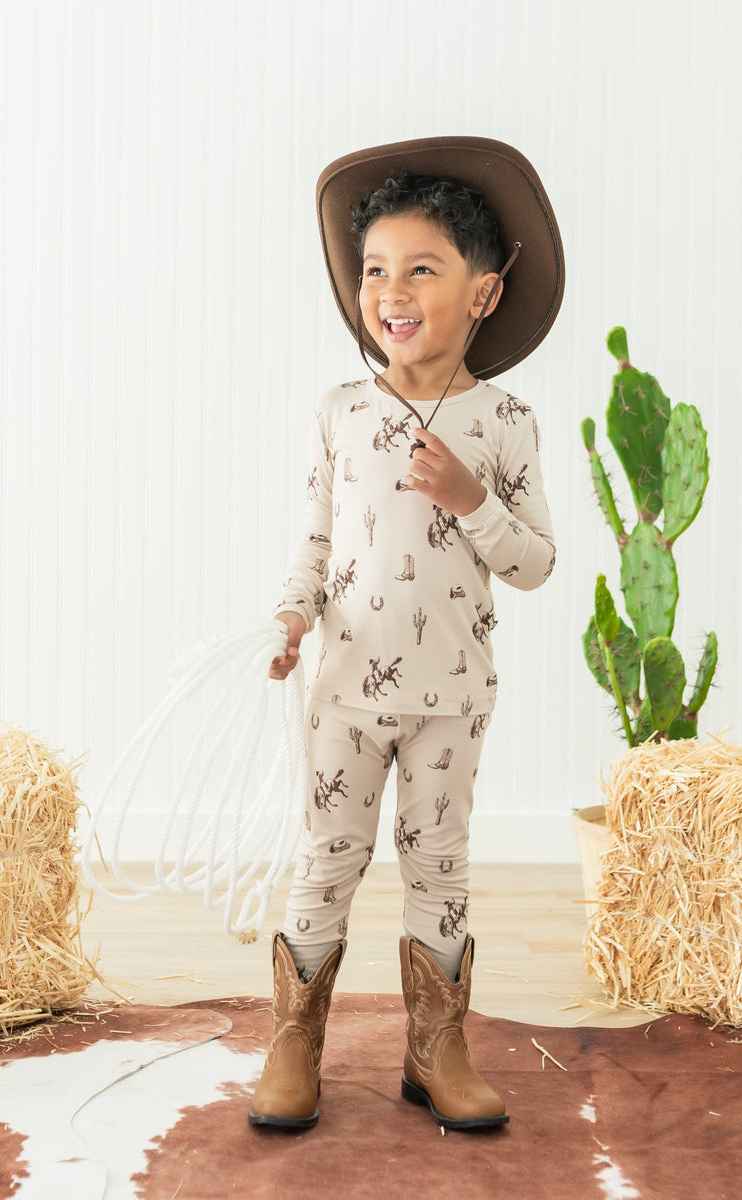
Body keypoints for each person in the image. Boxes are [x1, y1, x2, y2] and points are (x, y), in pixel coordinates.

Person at [248, 136, 565, 1132]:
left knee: (440, 867)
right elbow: (315, 540)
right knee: (328, 858)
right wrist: (292, 616)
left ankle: (437, 1047)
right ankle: (295, 1040)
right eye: (374, 271)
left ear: (481, 293)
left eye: (421, 268)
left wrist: (472, 499)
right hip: (343, 688)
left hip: (453, 695)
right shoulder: (339, 412)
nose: (390, 290)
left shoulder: (505, 421)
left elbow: (534, 563)